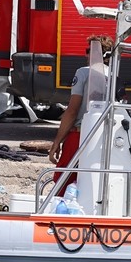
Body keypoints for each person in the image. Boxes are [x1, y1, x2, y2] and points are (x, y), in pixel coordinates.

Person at [48, 35, 114, 192]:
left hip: (79, 135)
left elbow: (72, 111)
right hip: (101, 137)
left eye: (88, 51)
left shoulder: (83, 73)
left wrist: (57, 142)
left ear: (97, 53)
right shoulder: (113, 75)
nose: (86, 55)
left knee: (63, 181)